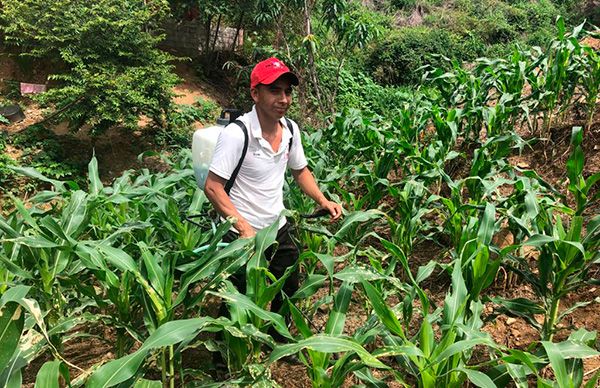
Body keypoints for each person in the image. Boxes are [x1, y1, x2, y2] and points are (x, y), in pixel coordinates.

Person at [204, 57, 342, 320]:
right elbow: (213, 187)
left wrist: (323, 200)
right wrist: (242, 227)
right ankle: (225, 358)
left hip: (276, 225)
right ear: (255, 93)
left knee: (288, 286)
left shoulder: (290, 129)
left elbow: (300, 171)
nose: (284, 99)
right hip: (241, 231)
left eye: (288, 92)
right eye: (274, 90)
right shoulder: (237, 134)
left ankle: (279, 340)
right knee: (236, 298)